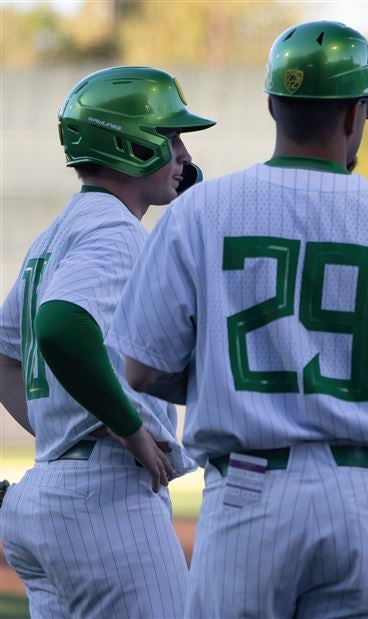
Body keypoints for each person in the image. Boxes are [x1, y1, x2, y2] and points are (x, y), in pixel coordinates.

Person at [106, 21, 368, 617]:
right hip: (364, 496)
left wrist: (230, 381)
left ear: (272, 104)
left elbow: (139, 369)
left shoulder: (200, 212)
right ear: (355, 113)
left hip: (246, 491)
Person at [0, 66, 212, 618]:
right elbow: (60, 323)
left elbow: (4, 355)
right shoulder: (116, 231)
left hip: (48, 493)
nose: (184, 153)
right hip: (107, 499)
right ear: (129, 143)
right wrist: (128, 426)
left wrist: (65, 430)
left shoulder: (56, 233)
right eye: (171, 138)